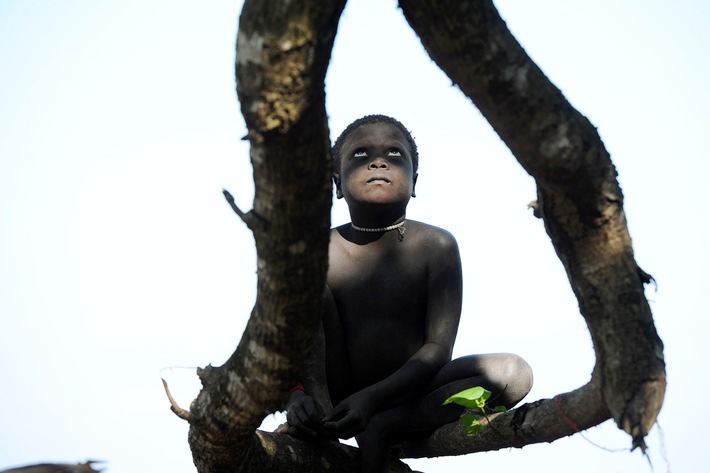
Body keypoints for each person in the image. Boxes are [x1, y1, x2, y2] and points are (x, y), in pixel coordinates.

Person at [283, 114, 533, 472]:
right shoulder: (316, 251)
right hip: (335, 399)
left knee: (515, 372)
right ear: (337, 184)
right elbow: (285, 345)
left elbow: (436, 352)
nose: (378, 161)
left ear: (414, 182)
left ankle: (385, 429)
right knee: (307, 283)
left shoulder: (437, 246)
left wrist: (372, 403)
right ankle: (324, 427)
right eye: (361, 154)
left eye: (394, 154)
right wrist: (297, 396)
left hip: (412, 397)